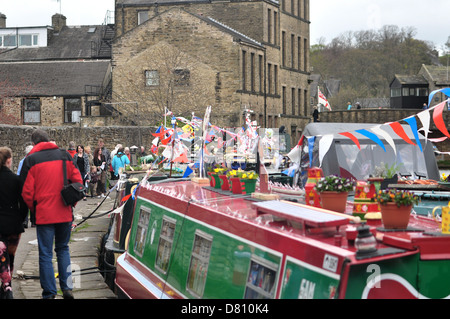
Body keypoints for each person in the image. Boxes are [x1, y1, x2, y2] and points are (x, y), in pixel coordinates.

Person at [20, 129, 83, 299]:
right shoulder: (65, 156)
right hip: (64, 212)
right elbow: (78, 184)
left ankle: (49, 292)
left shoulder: (31, 160)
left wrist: (35, 209)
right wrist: (71, 203)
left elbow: (26, 192)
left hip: (44, 214)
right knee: (63, 249)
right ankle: (67, 288)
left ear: (34, 144)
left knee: (45, 254)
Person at [0, 147, 28, 299]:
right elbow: (24, 204)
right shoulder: (17, 180)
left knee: (1, 256)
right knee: (10, 256)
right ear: (9, 161)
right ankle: (7, 287)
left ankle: (6, 286)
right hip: (13, 223)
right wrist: (21, 218)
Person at [17, 145, 34, 228]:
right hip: (25, 183)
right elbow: (18, 173)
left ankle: (33, 221)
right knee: (25, 202)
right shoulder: (22, 161)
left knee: (33, 201)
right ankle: (25, 220)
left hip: (32, 183)